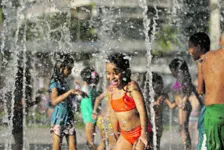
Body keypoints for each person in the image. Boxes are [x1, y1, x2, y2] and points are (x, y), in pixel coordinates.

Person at [106, 53, 150, 150]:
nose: (112, 77)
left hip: (139, 131)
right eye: (108, 73)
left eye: (116, 73)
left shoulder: (131, 87)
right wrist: (115, 134)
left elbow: (142, 110)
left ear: (124, 71)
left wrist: (144, 133)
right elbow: (113, 115)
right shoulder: (111, 91)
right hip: (125, 134)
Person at [188, 32, 224, 150]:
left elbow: (200, 90)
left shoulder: (205, 59)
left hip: (214, 112)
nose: (189, 51)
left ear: (220, 41)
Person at [49, 58, 86, 150]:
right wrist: (70, 92)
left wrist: (76, 90)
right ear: (60, 68)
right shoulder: (54, 82)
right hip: (59, 119)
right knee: (57, 147)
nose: (70, 71)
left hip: (68, 117)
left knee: (73, 148)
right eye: (68, 69)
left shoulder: (65, 82)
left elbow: (67, 98)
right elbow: (54, 101)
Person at [168, 58, 203, 150]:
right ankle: (187, 147)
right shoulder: (181, 78)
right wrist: (177, 99)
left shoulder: (183, 78)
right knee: (183, 127)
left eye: (172, 71)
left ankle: (187, 148)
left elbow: (189, 89)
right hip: (182, 105)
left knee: (183, 127)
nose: (172, 73)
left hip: (184, 106)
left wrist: (184, 100)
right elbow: (178, 92)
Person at [79, 67, 100, 150]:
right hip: (90, 116)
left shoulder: (86, 88)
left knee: (90, 142)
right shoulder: (92, 89)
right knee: (90, 141)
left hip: (89, 117)